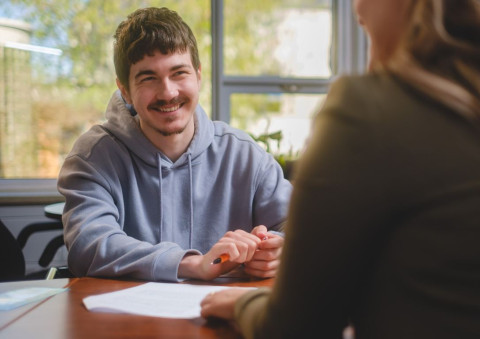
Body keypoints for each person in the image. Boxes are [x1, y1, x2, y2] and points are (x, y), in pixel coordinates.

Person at [200, 0, 480, 338]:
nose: (355, 4)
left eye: (363, 21)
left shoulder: (365, 112)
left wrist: (241, 303)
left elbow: (297, 328)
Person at [57, 7, 292, 282]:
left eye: (179, 73)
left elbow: (298, 225)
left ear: (198, 76)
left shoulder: (244, 155)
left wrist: (277, 248)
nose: (168, 92)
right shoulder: (92, 157)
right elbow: (90, 246)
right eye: (148, 78)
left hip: (226, 314)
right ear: (125, 90)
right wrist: (192, 264)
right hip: (127, 321)